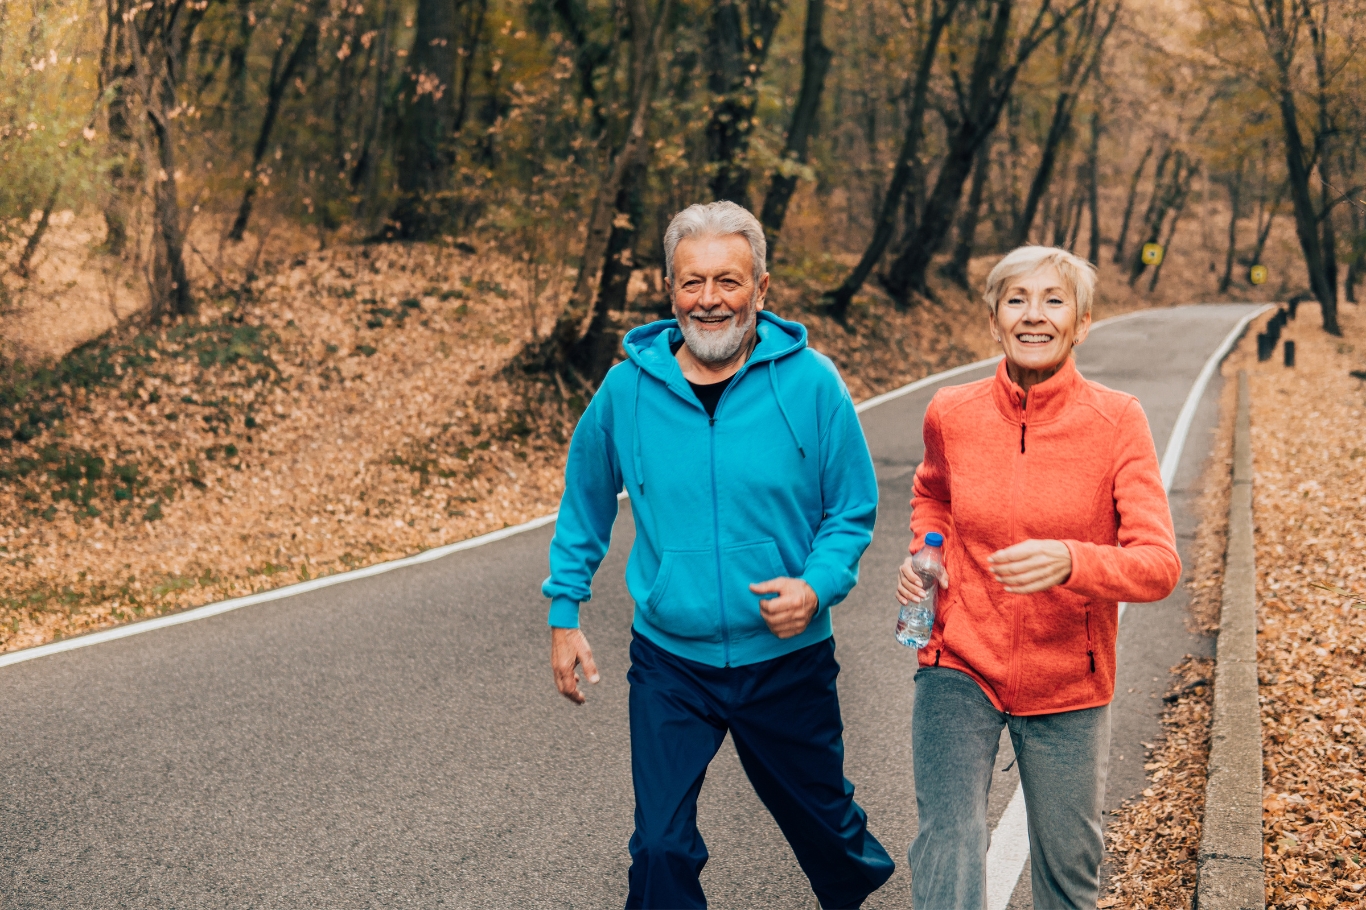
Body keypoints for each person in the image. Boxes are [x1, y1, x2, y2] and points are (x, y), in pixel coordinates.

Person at [542, 200, 895, 909]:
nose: (709, 300)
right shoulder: (626, 391)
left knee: (829, 833)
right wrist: (564, 610)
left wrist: (817, 586)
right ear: (670, 290)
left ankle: (855, 882)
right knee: (661, 848)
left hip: (785, 658)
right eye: (692, 282)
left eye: (728, 281)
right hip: (672, 661)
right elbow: (584, 502)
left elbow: (851, 509)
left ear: (761, 289)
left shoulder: (812, 383)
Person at [896, 246, 1181, 909]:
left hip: (1067, 679)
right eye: (1016, 299)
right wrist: (926, 552)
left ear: (1082, 323)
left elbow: (1159, 565)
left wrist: (1072, 562)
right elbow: (933, 496)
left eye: (1053, 300)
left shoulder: (1118, 423)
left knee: (1067, 870)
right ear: (995, 318)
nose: (1033, 315)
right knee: (950, 842)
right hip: (957, 658)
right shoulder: (951, 412)